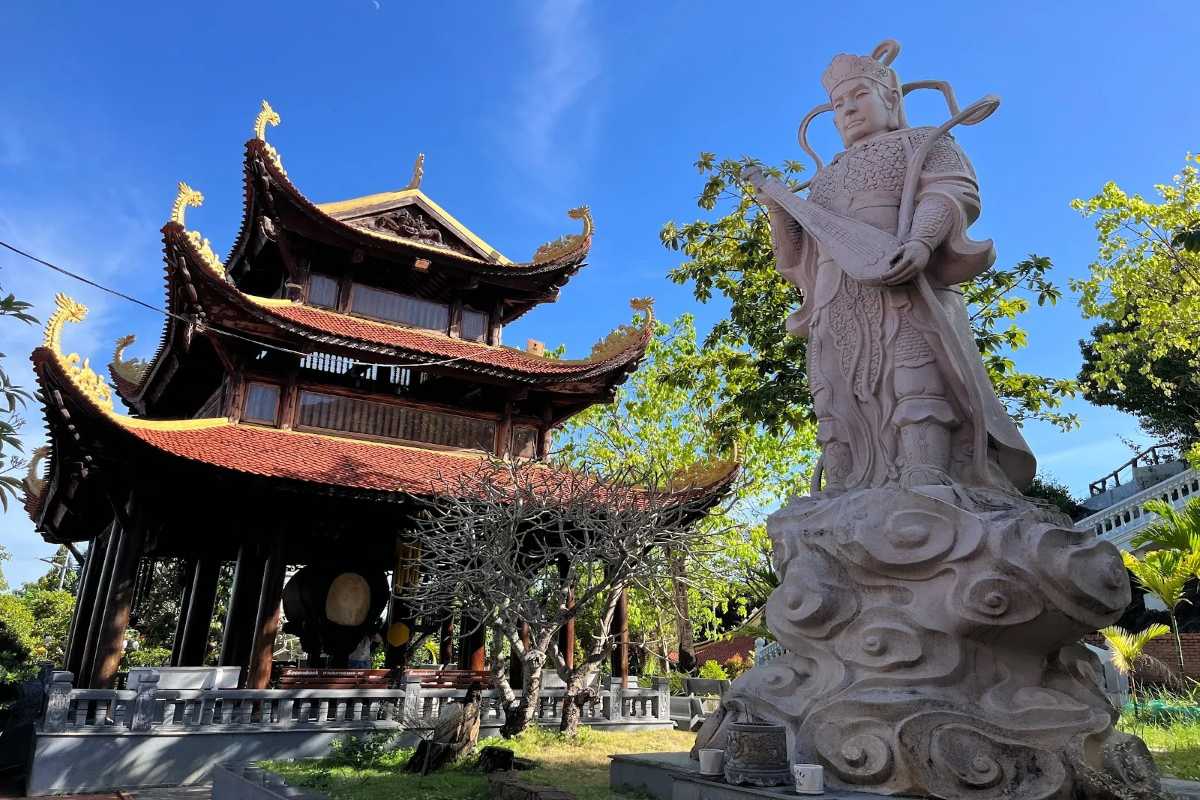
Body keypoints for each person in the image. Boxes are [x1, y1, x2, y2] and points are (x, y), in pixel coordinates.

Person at [754, 44, 1034, 492]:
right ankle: (846, 486)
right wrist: (778, 211)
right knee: (832, 390)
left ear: (890, 99)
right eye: (837, 106)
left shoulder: (923, 142)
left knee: (916, 375)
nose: (847, 111)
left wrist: (922, 240)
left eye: (858, 96)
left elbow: (950, 192)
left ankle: (929, 474)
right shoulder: (825, 177)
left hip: (899, 276)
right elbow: (797, 255)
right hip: (834, 292)